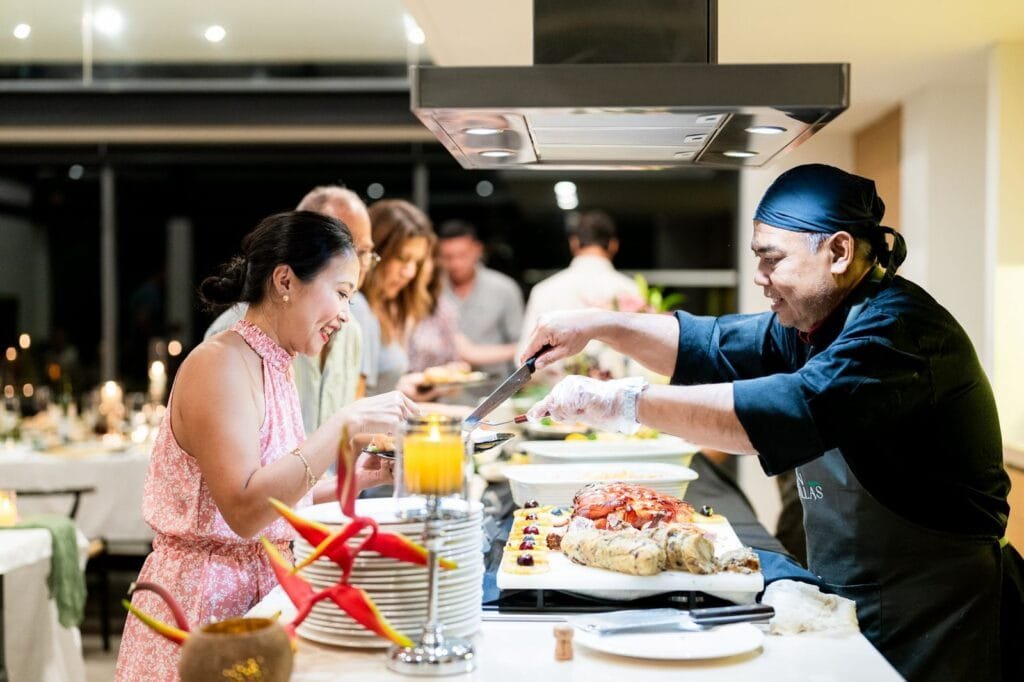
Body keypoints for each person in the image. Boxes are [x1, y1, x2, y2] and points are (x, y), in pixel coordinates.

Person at [520, 164, 1024, 681]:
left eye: (772, 260)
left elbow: (782, 410)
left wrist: (625, 401)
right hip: (856, 588)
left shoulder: (896, 330)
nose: (760, 278)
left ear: (840, 251)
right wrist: (598, 326)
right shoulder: (815, 321)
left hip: (937, 605)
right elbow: (708, 344)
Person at [116, 211, 418, 681]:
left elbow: (274, 497)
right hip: (203, 606)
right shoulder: (220, 363)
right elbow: (242, 511)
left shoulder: (274, 363)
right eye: (340, 294)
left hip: (262, 594)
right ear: (285, 281)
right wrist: (343, 423)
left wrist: (364, 477)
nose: (344, 314)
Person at [204, 186, 382, 433]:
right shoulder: (231, 340)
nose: (359, 263)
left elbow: (336, 449)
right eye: (342, 245)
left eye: (365, 253)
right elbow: (235, 469)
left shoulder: (351, 330)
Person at [360, 199, 436, 396]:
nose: (410, 272)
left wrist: (405, 385)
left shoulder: (388, 307)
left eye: (416, 262)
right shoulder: (357, 308)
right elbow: (355, 403)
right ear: (376, 253)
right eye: (402, 258)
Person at [438, 220, 523, 377]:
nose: (455, 264)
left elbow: (522, 344)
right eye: (448, 257)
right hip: (444, 390)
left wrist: (476, 354)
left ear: (477, 249)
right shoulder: (432, 291)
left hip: (495, 388)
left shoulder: (503, 288)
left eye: (462, 255)